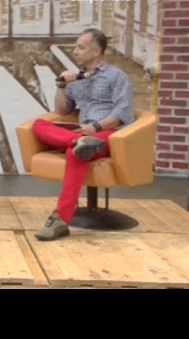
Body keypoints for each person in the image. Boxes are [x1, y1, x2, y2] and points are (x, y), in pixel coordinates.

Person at [32, 28, 135, 241]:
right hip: (84, 133)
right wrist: (62, 86)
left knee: (77, 152)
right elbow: (61, 111)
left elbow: (122, 112)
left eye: (81, 47)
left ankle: (60, 219)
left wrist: (95, 127)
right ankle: (78, 142)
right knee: (39, 125)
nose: (75, 51)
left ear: (96, 52)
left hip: (107, 133)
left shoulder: (115, 76)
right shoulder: (76, 79)